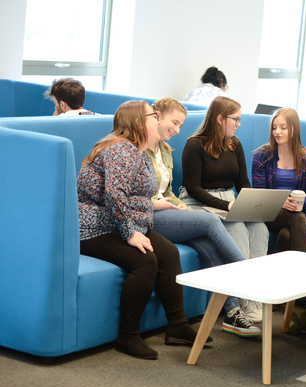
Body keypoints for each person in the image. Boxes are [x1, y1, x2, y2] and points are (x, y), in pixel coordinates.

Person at [77, 100, 196, 360]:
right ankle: (127, 337)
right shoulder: (121, 149)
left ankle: (177, 325)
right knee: (145, 262)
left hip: (121, 222)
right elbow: (114, 194)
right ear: (139, 122)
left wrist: (137, 225)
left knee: (168, 253)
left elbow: (135, 196)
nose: (157, 119)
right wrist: (130, 233)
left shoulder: (138, 150)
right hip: (94, 226)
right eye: (153, 116)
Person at [148, 97, 259, 338]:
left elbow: (167, 192)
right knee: (210, 221)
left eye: (180, 125)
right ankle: (249, 273)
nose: (178, 130)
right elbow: (142, 196)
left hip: (170, 211)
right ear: (155, 117)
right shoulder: (139, 151)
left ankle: (232, 313)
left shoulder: (165, 150)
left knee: (208, 245)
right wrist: (171, 205)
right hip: (151, 215)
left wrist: (178, 206)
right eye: (175, 123)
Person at [179, 96, 268, 323]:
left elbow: (243, 182)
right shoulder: (194, 145)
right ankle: (243, 297)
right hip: (199, 202)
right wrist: (227, 205)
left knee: (260, 227)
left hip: (229, 201)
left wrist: (251, 203)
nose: (239, 124)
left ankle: (256, 291)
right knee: (237, 227)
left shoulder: (234, 144)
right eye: (235, 119)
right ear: (220, 119)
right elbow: (192, 188)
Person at [252, 108, 306, 253]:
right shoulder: (261, 156)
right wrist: (281, 202)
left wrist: (297, 204)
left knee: (285, 235)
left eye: (283, 128)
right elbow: (259, 193)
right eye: (274, 127)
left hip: (295, 212)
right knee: (298, 219)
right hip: (268, 212)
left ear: (294, 129)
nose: (277, 132)